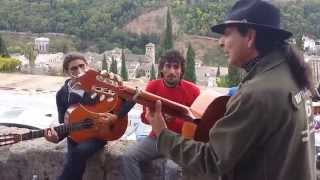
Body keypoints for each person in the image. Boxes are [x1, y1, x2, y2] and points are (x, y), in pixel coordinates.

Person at [147, 0, 317, 180]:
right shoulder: (292, 74)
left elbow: (212, 160)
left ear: (250, 37)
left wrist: (163, 134)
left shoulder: (256, 94)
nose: (221, 42)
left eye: (227, 34)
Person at [44, 52, 134, 180]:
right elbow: (65, 124)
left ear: (88, 66)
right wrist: (55, 138)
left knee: (77, 154)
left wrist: (116, 117)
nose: (79, 70)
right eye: (73, 68)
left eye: (82, 66)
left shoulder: (99, 85)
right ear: (66, 72)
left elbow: (131, 99)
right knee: (75, 162)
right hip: (75, 135)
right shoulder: (62, 95)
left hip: (100, 133)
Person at [121, 49, 200, 180]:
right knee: (128, 157)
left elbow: (197, 123)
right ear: (162, 69)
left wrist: (172, 120)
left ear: (181, 71)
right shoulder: (153, 86)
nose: (172, 71)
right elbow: (143, 118)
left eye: (176, 67)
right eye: (168, 66)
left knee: (172, 168)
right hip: (156, 138)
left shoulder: (193, 91)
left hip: (180, 141)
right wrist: (154, 118)